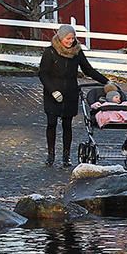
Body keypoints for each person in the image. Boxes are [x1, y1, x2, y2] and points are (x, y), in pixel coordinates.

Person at [37, 24, 108, 165]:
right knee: (51, 123)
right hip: (53, 93)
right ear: (60, 38)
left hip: (70, 92)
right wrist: (52, 90)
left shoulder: (77, 52)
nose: (70, 41)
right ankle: (50, 155)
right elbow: (43, 74)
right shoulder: (50, 52)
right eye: (68, 39)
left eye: (73, 38)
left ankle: (66, 156)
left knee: (67, 124)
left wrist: (107, 82)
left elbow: (88, 70)